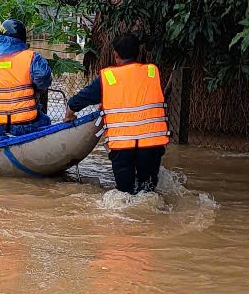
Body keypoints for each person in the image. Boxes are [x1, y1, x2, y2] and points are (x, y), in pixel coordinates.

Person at [64, 34, 170, 194]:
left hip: (122, 147)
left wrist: (69, 114)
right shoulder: (152, 72)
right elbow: (137, 95)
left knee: (124, 194)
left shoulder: (108, 77)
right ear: (138, 53)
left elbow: (78, 101)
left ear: (115, 54)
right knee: (148, 192)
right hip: (151, 145)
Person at [0, 19, 53, 142]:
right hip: (28, 124)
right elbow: (44, 80)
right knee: (45, 121)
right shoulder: (32, 58)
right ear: (22, 38)